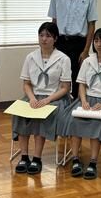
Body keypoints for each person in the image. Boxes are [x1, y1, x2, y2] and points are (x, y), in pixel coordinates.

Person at [13, 21, 72, 174]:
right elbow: (26, 84)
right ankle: (24, 156)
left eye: (48, 36)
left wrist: (47, 100)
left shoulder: (63, 59)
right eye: (41, 35)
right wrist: (32, 98)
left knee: (42, 115)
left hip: (56, 98)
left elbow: (65, 88)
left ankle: (37, 158)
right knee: (20, 112)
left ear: (55, 38)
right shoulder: (30, 57)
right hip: (34, 96)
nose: (44, 39)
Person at [63, 28, 101, 179]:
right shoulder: (88, 60)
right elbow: (81, 84)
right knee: (74, 120)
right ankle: (75, 159)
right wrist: (83, 101)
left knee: (97, 123)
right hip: (87, 99)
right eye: (96, 41)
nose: (99, 44)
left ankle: (93, 162)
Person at [48, 0, 98, 99]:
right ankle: (59, 105)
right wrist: (52, 45)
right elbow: (53, 23)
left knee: (77, 77)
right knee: (58, 75)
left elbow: (91, 25)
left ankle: (76, 105)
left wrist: (86, 50)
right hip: (60, 41)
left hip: (79, 43)